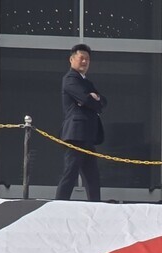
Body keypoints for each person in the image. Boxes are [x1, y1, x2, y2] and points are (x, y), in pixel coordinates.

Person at [54, 43, 106, 202]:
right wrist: (91, 99)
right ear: (71, 59)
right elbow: (85, 99)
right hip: (75, 133)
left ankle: (95, 205)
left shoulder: (86, 82)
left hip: (88, 136)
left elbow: (102, 101)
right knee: (71, 171)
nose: (84, 62)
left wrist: (93, 99)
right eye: (81, 58)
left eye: (87, 59)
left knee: (92, 176)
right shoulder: (70, 79)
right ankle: (60, 203)